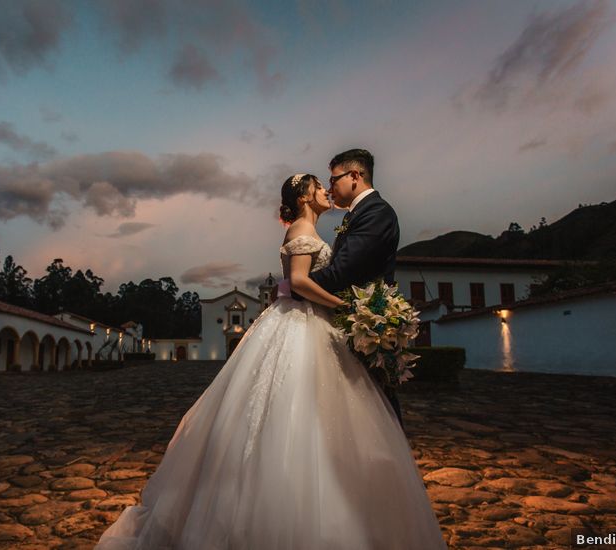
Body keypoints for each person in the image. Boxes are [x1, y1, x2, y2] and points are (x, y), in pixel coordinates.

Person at [94, 171, 445, 549]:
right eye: (318, 187)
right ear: (304, 197)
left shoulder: (307, 230)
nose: (326, 191)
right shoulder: (300, 230)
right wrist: (347, 306)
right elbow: (299, 282)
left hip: (307, 321)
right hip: (299, 324)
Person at [298, 148, 405, 425]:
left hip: (369, 322)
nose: (330, 187)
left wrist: (297, 285)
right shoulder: (355, 215)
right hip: (353, 320)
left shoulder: (376, 213)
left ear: (355, 175)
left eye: (334, 179)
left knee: (378, 406)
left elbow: (343, 271)